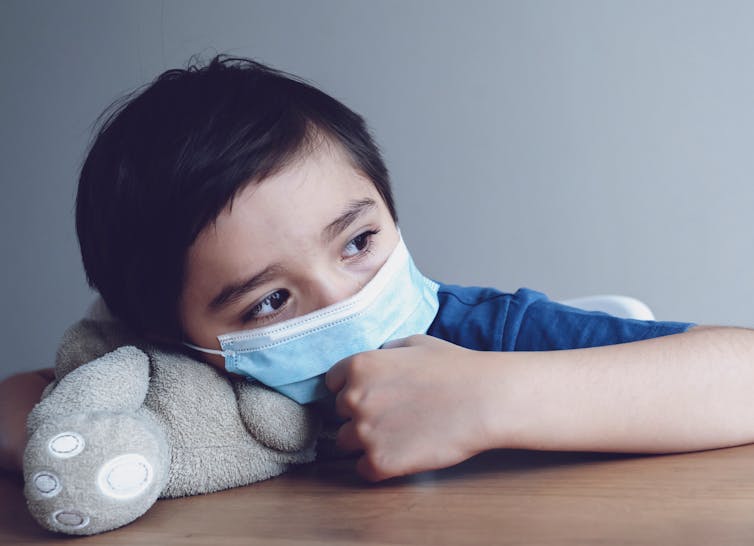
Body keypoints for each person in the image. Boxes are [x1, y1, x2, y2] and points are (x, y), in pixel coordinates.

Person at [2, 55, 754, 483]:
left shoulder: (483, 333)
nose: (344, 302)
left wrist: (492, 400)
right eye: (268, 302)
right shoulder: (180, 388)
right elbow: (27, 406)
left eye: (357, 242)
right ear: (170, 332)